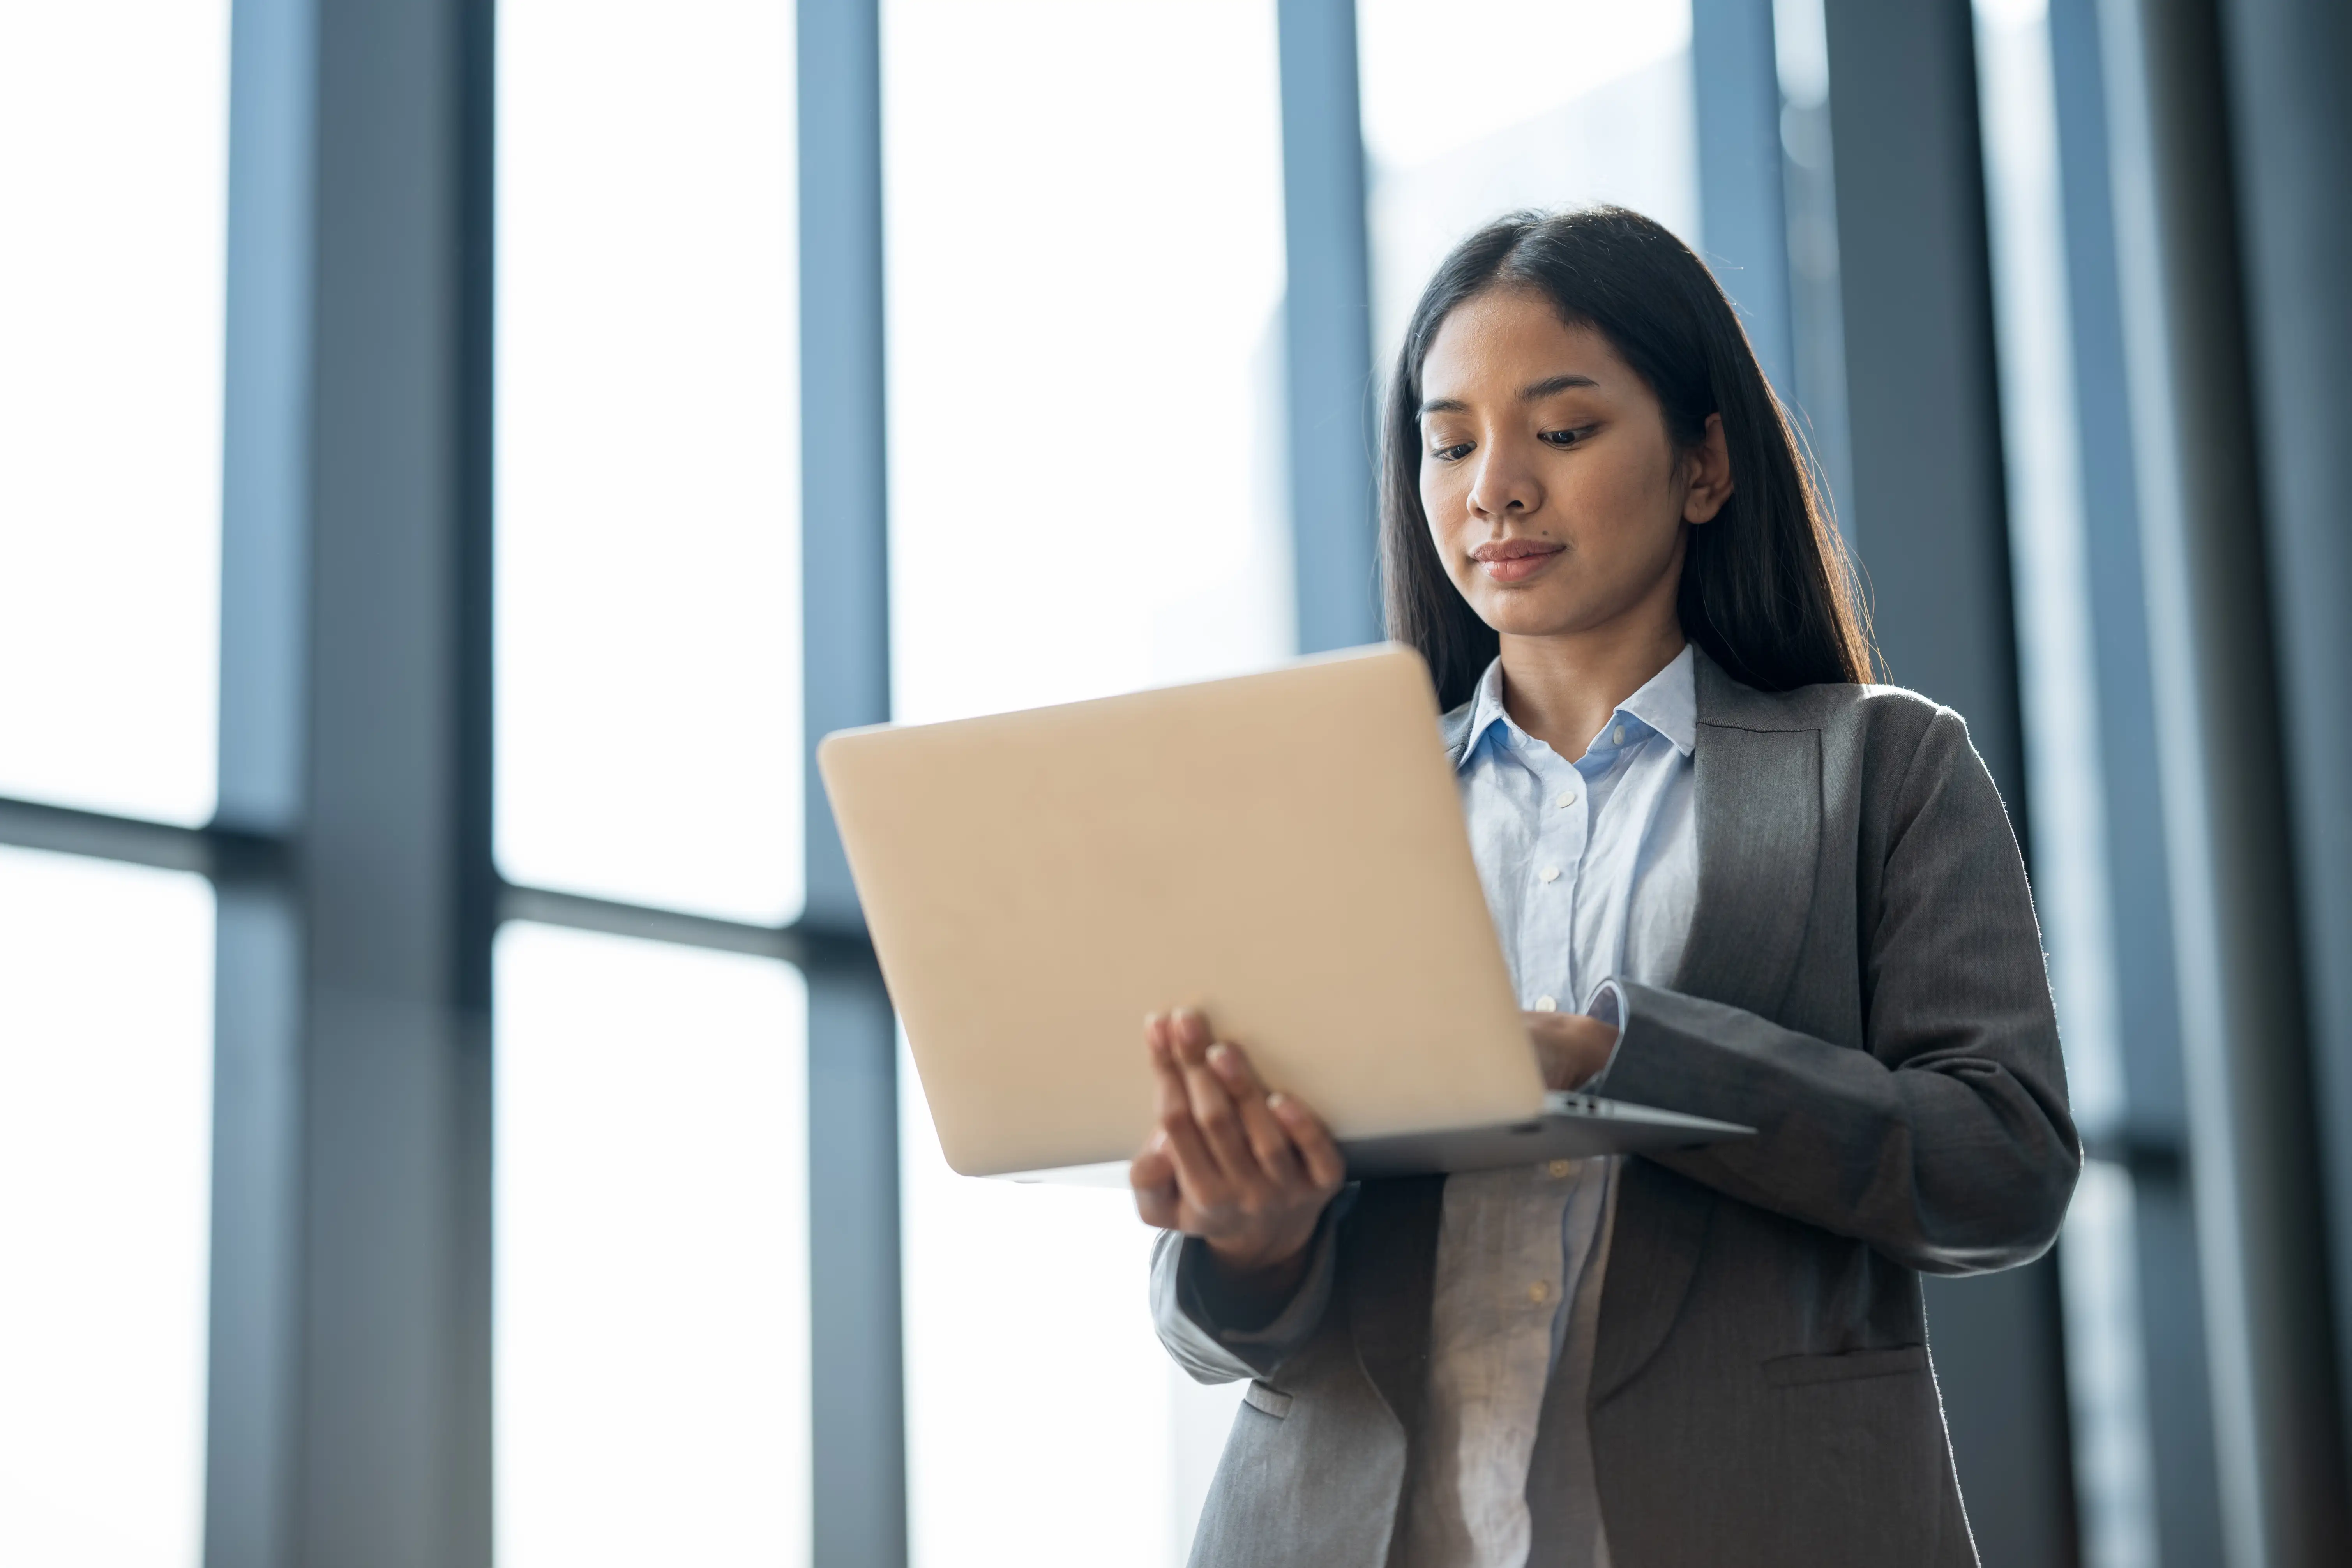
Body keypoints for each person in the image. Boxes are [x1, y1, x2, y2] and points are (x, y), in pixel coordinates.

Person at [1127, 207, 2078, 1568]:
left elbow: (2002, 1167)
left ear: (1702, 463)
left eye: (1560, 433)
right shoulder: (1320, 809)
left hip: (1760, 1517)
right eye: (1449, 441)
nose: (1493, 487)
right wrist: (1250, 1239)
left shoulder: (1882, 768)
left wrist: (1620, 1060)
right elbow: (1200, 1324)